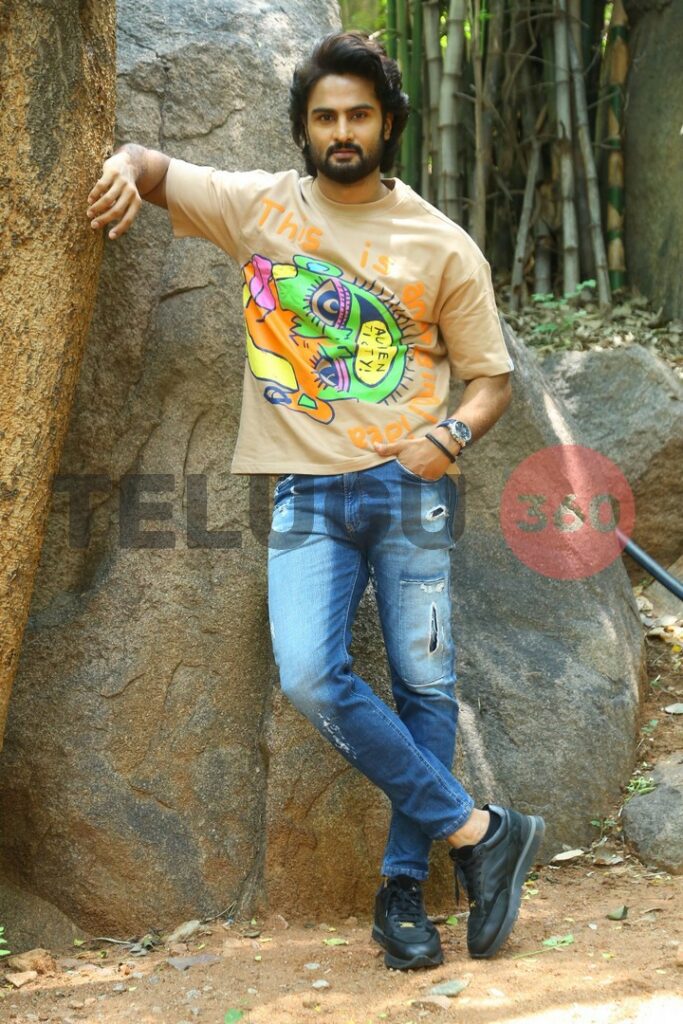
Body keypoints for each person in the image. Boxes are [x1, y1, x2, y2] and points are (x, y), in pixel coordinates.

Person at [87, 30, 544, 970]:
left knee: (424, 690)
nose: (342, 131)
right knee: (306, 675)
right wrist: (123, 168)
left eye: (358, 115)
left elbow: (490, 382)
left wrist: (449, 437)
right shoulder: (261, 207)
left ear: (388, 124)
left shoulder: (440, 243)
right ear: (302, 126)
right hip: (305, 495)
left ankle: (402, 893)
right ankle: (478, 830)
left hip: (410, 492)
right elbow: (154, 166)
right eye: (325, 116)